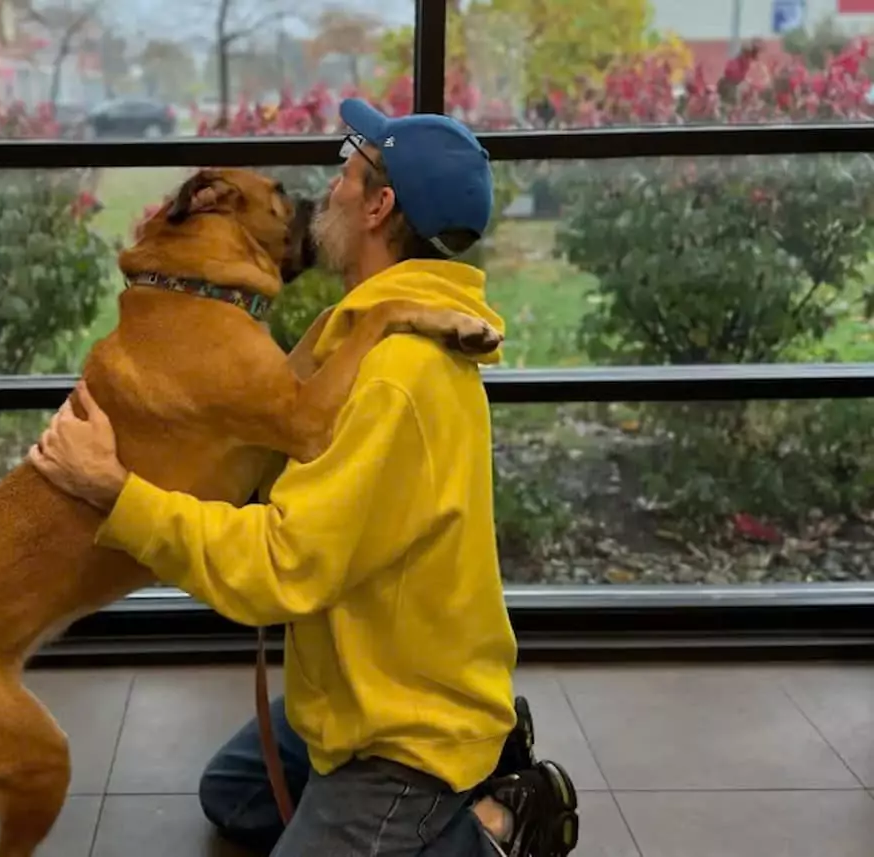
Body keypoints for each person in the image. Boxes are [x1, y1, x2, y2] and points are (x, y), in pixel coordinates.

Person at [29, 99, 579, 857]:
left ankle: (496, 819)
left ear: (381, 206)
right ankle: (475, 755)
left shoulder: (395, 376)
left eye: (349, 174)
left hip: (405, 732)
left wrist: (115, 493)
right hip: (354, 684)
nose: (332, 189)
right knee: (235, 794)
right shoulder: (363, 329)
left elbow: (282, 566)